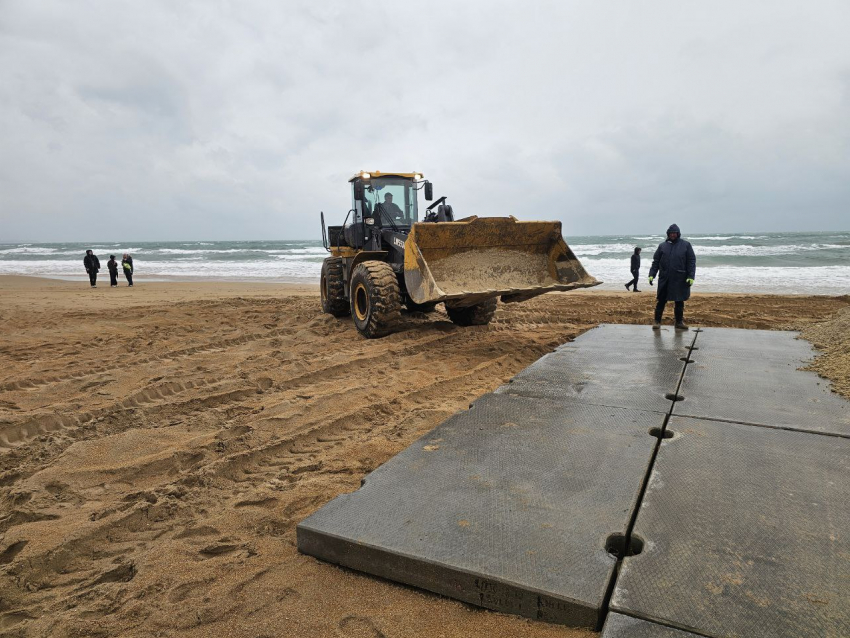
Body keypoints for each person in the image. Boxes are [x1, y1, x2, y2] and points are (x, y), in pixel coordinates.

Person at [648, 224, 696, 330]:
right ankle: (657, 321)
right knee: (661, 301)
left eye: (675, 233)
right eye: (671, 233)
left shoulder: (686, 245)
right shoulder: (662, 246)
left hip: (680, 279)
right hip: (665, 278)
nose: (673, 235)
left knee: (679, 301)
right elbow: (656, 262)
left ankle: (679, 322)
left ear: (678, 234)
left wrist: (691, 276)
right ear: (668, 234)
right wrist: (652, 274)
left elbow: (691, 261)